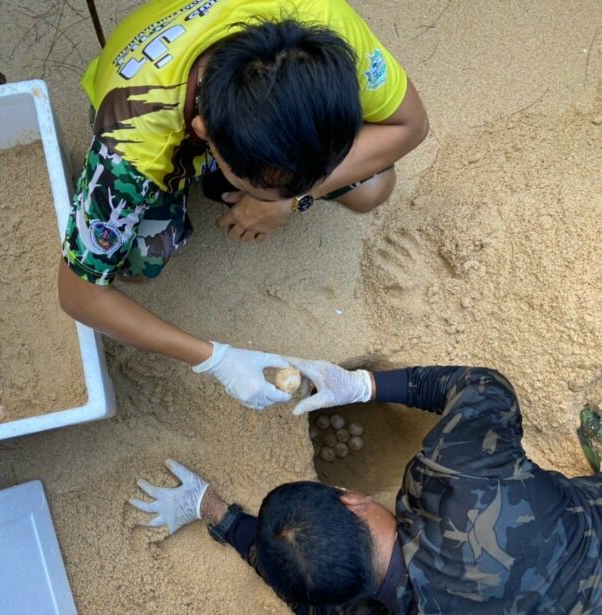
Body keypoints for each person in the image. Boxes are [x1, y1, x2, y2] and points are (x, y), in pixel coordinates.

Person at [59, 0, 429, 411]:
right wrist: (216, 359)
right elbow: (80, 296)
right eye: (271, 184)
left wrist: (291, 198)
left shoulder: (322, 28)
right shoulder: (128, 150)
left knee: (373, 186)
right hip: (150, 108)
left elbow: (411, 124)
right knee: (139, 261)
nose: (295, 191)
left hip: (219, 107)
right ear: (204, 136)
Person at [129, 360, 602, 613]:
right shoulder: (459, 481)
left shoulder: (360, 608)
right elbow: (484, 387)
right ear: (351, 499)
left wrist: (212, 510)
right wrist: (365, 385)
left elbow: (301, 592)